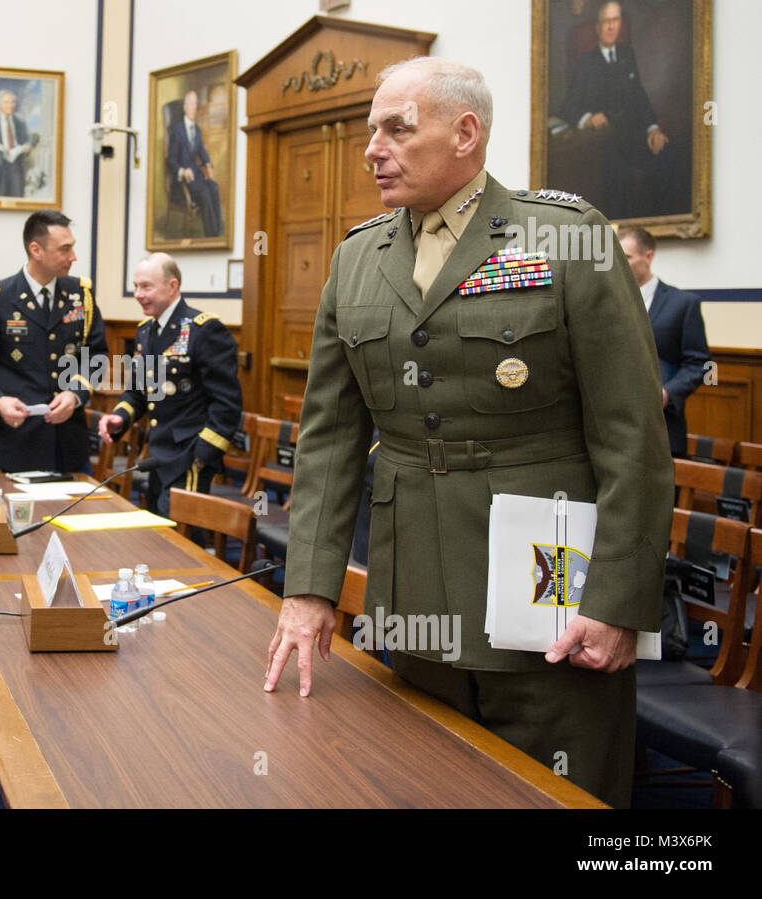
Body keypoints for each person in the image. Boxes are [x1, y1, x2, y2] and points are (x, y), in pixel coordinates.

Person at [263, 57, 672, 808]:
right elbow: (327, 438)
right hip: (415, 591)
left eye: (396, 129)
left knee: (560, 795)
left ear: (466, 132)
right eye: (370, 132)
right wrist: (310, 588)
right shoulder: (357, 260)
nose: (372, 149)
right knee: (424, 785)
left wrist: (617, 600)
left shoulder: (566, 240)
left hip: (551, 601)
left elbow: (633, 437)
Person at [0, 211, 107, 473]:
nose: (73, 257)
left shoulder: (80, 294)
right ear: (36, 250)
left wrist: (75, 394)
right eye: (65, 249)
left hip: (68, 442)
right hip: (14, 441)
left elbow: (96, 357)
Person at [98, 252, 241, 516]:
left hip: (189, 457)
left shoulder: (203, 329)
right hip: (158, 455)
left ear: (172, 286)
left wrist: (202, 455)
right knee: (161, 536)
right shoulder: (146, 331)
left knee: (182, 539)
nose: (138, 294)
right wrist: (119, 417)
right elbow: (138, 392)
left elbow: (227, 404)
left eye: (146, 287)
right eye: (136, 286)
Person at [558, 1, 672, 220]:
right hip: (606, 143)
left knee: (668, 154)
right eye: (606, 21)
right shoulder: (585, 64)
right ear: (598, 27)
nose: (611, 26)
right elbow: (567, 107)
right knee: (620, 176)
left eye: (615, 20)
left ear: (620, 24)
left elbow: (640, 97)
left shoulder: (627, 55)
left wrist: (653, 129)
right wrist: (588, 118)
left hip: (637, 137)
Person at [620, 225, 709, 457]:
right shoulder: (607, 304)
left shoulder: (683, 304)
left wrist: (667, 393)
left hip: (663, 430)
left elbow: (699, 364)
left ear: (648, 256)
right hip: (616, 432)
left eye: (627, 257)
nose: (619, 264)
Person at [166, 90, 223, 237]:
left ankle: (219, 232)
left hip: (196, 175)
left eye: (195, 104)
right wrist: (183, 171)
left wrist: (208, 164)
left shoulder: (196, 129)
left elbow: (201, 150)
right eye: (190, 103)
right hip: (183, 180)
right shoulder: (176, 130)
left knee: (214, 188)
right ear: (185, 107)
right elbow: (171, 159)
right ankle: (211, 235)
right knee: (205, 194)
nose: (193, 107)